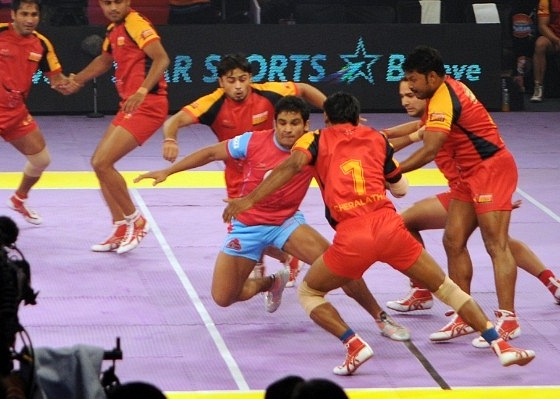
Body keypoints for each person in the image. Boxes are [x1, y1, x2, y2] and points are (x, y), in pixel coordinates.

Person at [222, 91, 535, 375]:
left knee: (309, 292)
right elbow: (400, 189)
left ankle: (353, 343)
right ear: (358, 119)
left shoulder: (312, 140)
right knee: (449, 289)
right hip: (390, 229)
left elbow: (290, 167)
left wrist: (248, 199)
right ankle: (501, 345)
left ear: (326, 119)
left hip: (352, 236)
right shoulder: (376, 139)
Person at [136, 96, 410, 341]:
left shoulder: (316, 145)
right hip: (246, 227)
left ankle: (379, 316)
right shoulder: (252, 141)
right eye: (282, 123)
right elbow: (210, 153)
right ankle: (272, 283)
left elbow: (370, 143)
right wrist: (168, 171)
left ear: (305, 125)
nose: (288, 129)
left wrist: (417, 133)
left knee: (343, 267)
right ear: (275, 123)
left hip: (287, 223)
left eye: (294, 123)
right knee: (224, 297)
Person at [384, 79, 560, 342]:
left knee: (497, 242)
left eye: (412, 94)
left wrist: (391, 171)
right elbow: (404, 133)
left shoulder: (442, 112)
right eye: (402, 96)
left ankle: (517, 310)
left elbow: (423, 145)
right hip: (462, 188)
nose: (407, 100)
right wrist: (374, 138)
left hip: (485, 179)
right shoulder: (430, 119)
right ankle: (428, 294)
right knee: (422, 227)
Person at [399, 45, 529, 349]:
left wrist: (391, 174)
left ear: (431, 77)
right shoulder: (439, 93)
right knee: (452, 240)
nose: (411, 86)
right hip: (467, 176)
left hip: (491, 169)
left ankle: (508, 319)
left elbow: (429, 149)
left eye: (413, 80)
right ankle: (464, 315)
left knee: (496, 245)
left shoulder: (444, 98)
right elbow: (417, 131)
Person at [162, 53, 326, 285]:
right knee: (246, 228)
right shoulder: (212, 103)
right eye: (231, 80)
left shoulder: (268, 92)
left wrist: (330, 112)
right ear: (221, 82)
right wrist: (170, 139)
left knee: (267, 225)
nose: (238, 86)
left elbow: (304, 89)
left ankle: (289, 256)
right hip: (238, 177)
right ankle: (281, 257)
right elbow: (174, 121)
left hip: (272, 170)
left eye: (242, 79)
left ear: (250, 78)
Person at [0, 0, 72, 237]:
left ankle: (19, 198)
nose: (29, 19)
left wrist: (67, 84)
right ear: (13, 15)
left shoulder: (41, 44)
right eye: (24, 14)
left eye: (33, 14)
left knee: (41, 159)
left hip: (16, 113)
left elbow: (55, 78)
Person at [66, 0, 171, 254]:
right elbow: (104, 60)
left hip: (148, 105)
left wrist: (143, 90)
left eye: (118, 1)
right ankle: (121, 226)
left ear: (128, 2)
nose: (113, 7)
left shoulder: (136, 23)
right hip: (130, 105)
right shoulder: (113, 30)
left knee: (103, 163)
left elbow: (162, 58)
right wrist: (77, 80)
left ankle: (137, 220)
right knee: (98, 163)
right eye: (107, 3)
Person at [530, 0, 560, 102]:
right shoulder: (546, 1)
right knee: (540, 44)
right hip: (554, 38)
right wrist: (557, 40)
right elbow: (542, 26)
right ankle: (538, 87)